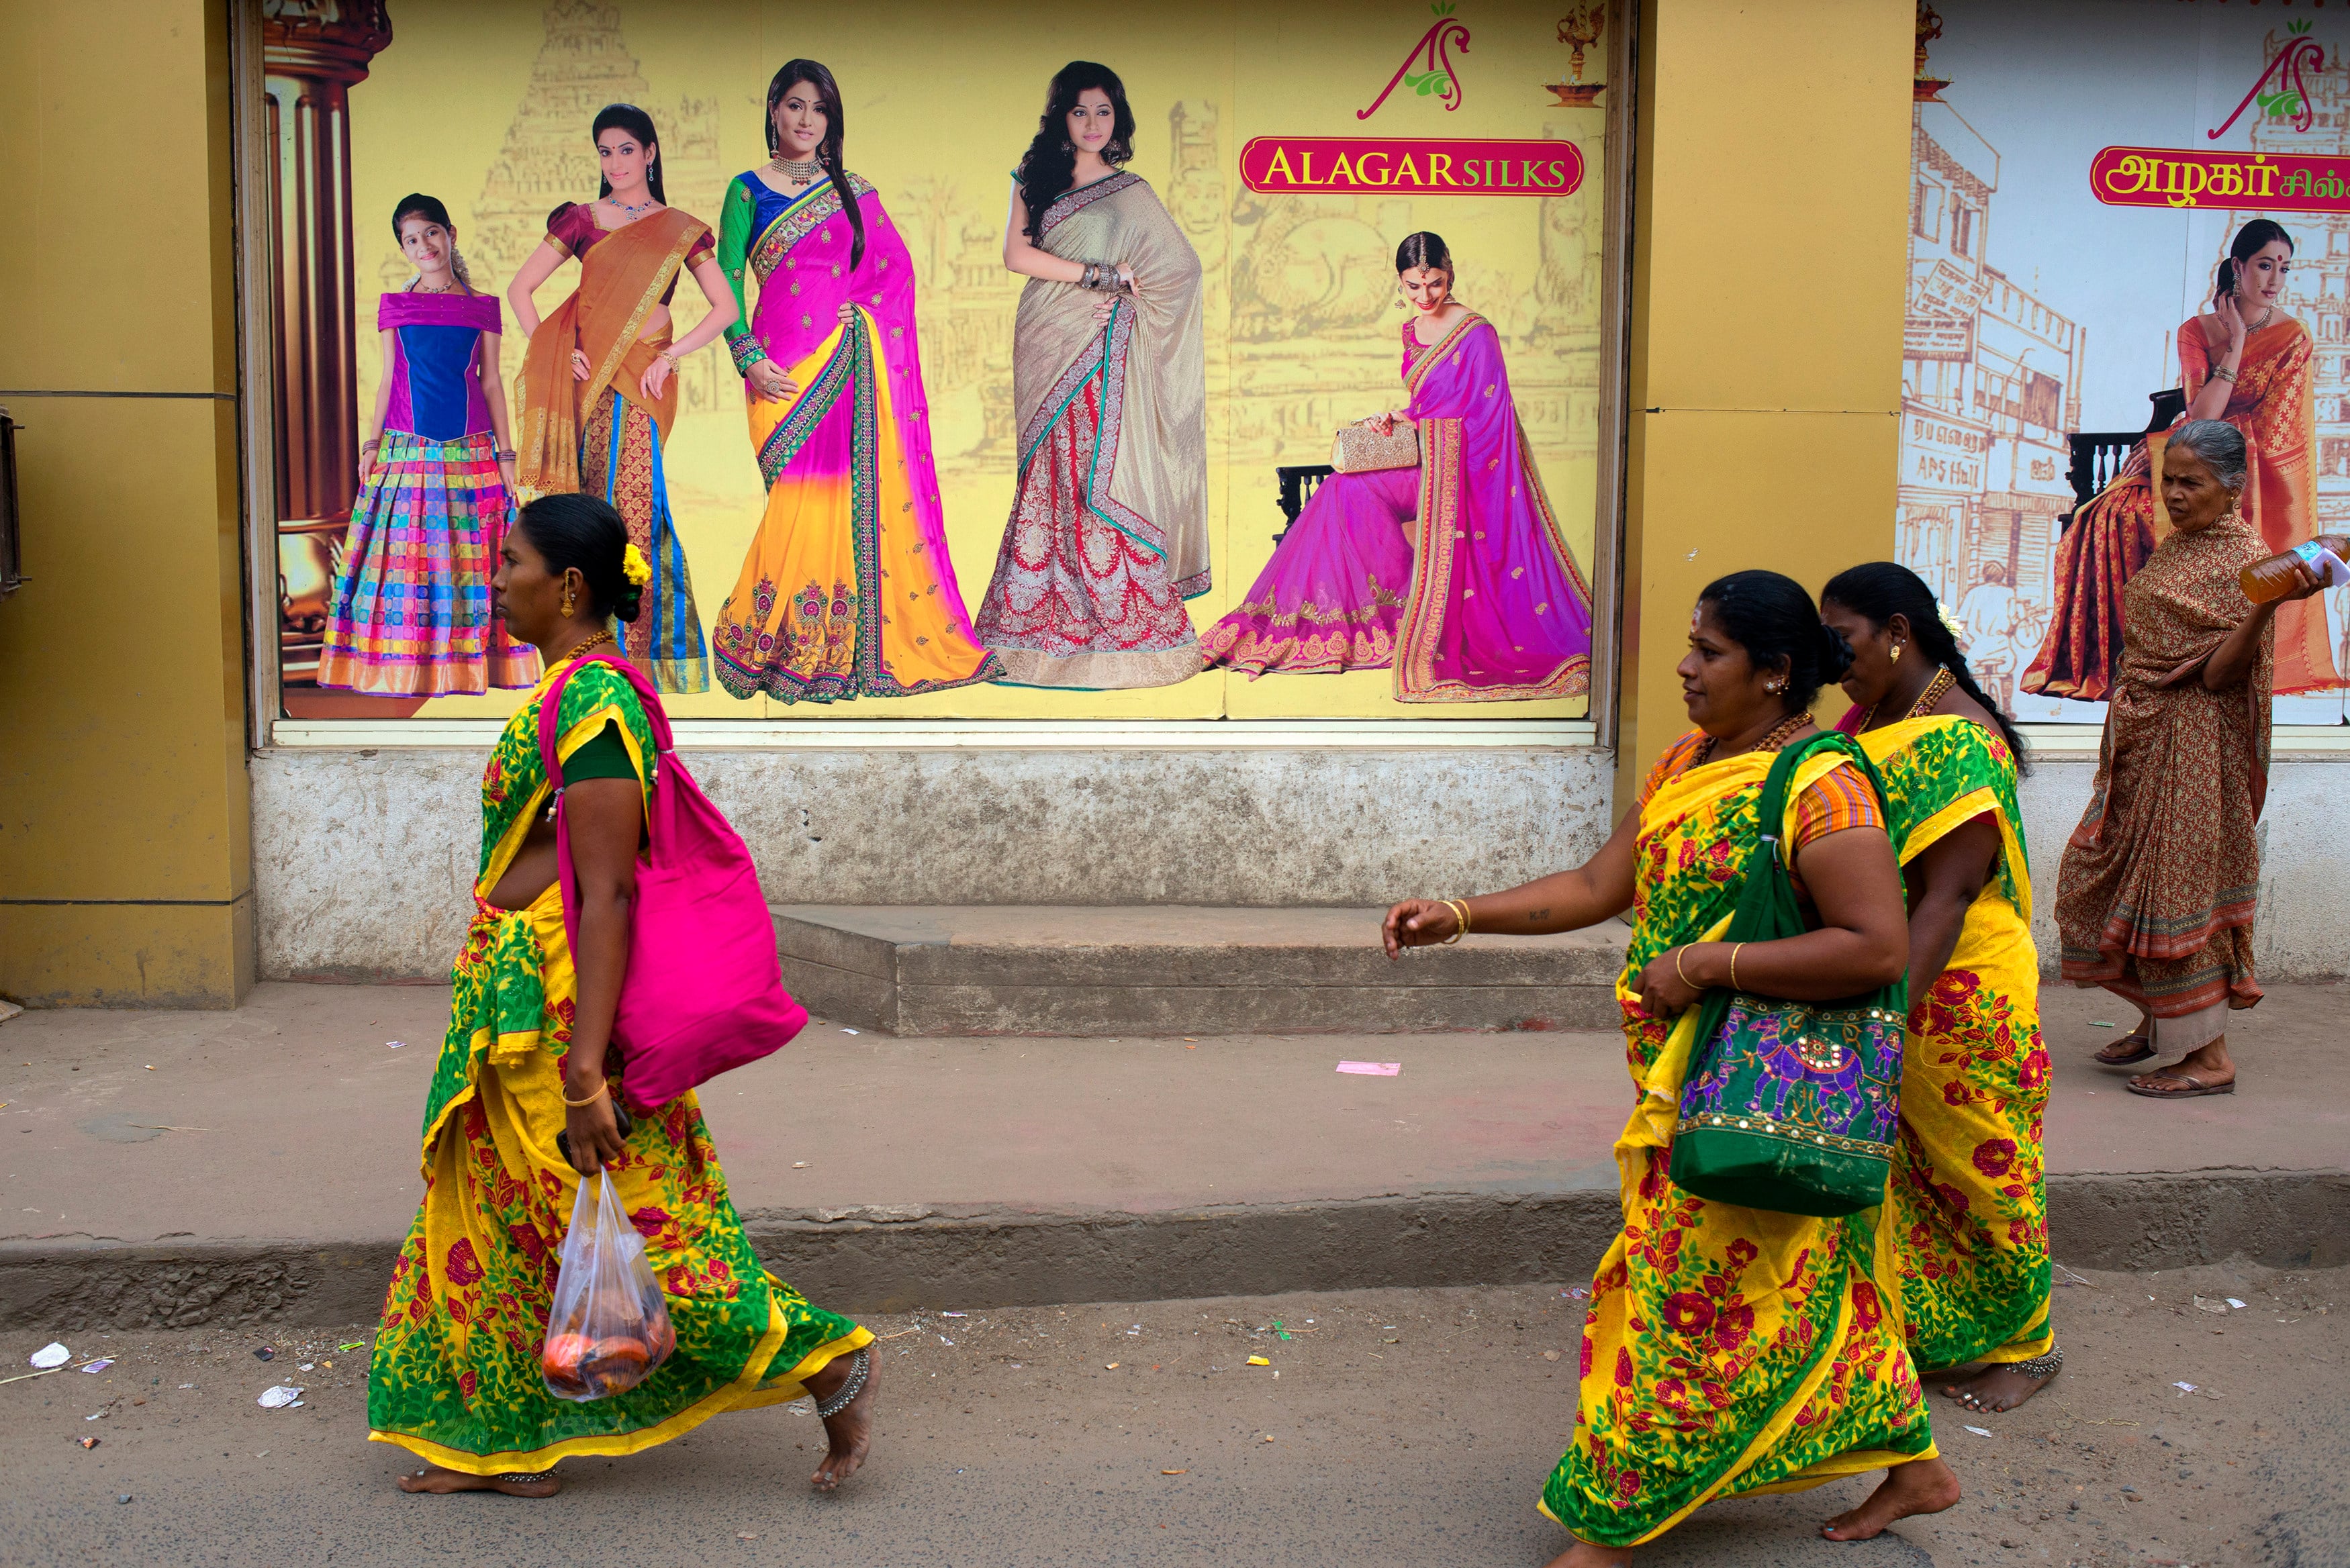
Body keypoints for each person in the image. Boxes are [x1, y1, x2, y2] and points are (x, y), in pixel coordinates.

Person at [1385, 570, 1956, 1563]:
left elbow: (1875, 948)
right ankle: (1916, 1466)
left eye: (1710, 652)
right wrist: (1462, 915)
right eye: (1691, 646)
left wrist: (1703, 963)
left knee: (1683, 1302)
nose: (1687, 669)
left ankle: (1607, 1533)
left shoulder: (1825, 786)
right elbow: (1601, 884)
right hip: (1683, 1087)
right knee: (1799, 1281)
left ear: (1776, 675)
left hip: (1764, 1086)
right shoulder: (1692, 762)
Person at [367, 493, 876, 1494]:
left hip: (562, 1014)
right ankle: (508, 1442)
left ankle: (829, 1361)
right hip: (514, 1001)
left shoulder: (597, 704)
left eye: (510, 563)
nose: (495, 580)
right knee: (506, 1221)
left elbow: (607, 895)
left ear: (568, 586)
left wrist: (585, 1072)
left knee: (647, 1233)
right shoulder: (572, 692)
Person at [1822, 562, 2058, 1415]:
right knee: (1908, 1172)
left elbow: (1949, 895)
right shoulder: (1874, 714)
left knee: (1981, 1164)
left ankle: (2027, 1346)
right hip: (1898, 962)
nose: (1828, 657)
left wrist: (1884, 1015)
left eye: (1839, 638)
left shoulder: (1955, 735)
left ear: (1895, 629)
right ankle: (1940, 1332)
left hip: (1957, 984)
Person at [708, 60, 998, 703]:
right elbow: (725, 278)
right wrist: (746, 355)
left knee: (834, 505)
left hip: (844, 360)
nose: (806, 120)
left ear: (831, 120)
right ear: (774, 111)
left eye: (819, 109)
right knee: (795, 501)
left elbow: (893, 274)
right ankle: (776, 638)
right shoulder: (746, 190)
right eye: (794, 106)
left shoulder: (855, 191)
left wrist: (862, 316)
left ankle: (829, 647)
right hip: (777, 367)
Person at [2055, 421, 2329, 1098]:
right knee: (2091, 875)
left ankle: (2206, 1059)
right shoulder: (2182, 547)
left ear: (2232, 487)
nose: (2172, 494)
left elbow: (2217, 676)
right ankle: (2161, 1022)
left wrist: (2265, 610)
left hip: (2195, 744)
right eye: (2165, 480)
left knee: (2178, 893)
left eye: (2189, 482)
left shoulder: (2244, 562)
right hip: (2144, 737)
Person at [1199, 232, 1594, 701]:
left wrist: (1425, 432)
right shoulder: (1411, 330)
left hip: (1463, 471)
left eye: (1435, 284)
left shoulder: (1477, 333)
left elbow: (1489, 418)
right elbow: (1428, 403)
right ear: (1400, 284)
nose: (1425, 297)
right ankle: (1376, 616)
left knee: (1344, 491)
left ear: (1450, 272)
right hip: (1426, 454)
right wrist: (1395, 418)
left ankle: (1407, 611)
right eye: (1413, 287)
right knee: (1344, 490)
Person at [2024, 219, 2336, 701]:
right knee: (2105, 517)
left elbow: (2275, 429)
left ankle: (2216, 649)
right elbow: (2204, 413)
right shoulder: (2198, 331)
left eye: (2284, 269)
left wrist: (2198, 440)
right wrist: (2234, 341)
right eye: (2264, 265)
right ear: (2239, 267)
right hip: (2188, 459)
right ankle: (2143, 657)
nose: (2274, 279)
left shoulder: (2294, 336)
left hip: (2250, 473)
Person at [972, 60, 1210, 689]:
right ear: (1062, 117)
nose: (1093, 124)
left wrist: (1131, 305)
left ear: (1118, 117)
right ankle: (1031, 626)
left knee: (1095, 473)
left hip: (1106, 345)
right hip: (1047, 337)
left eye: (1104, 112)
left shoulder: (1131, 191)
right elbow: (1016, 255)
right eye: (1081, 112)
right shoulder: (1036, 176)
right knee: (1049, 475)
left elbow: (1181, 270)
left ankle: (1116, 619)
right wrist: (1100, 275)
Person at [508, 103, 735, 695]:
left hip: (644, 377)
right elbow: (521, 289)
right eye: (605, 152)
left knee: (638, 506)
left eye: (626, 150)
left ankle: (634, 660)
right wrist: (557, 350)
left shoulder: (682, 227)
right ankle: (581, 653)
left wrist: (671, 353)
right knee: (585, 508)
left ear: (651, 153)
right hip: (588, 381)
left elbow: (726, 308)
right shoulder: (581, 220)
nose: (615, 163)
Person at [319, 194, 538, 696]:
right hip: (407, 452)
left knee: (467, 559)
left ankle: (465, 666)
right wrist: (372, 443)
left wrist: (508, 455)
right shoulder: (396, 306)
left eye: (431, 233)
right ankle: (407, 666)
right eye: (412, 240)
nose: (424, 246)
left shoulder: (482, 307)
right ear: (404, 248)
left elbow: (490, 383)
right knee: (409, 560)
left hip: (472, 453)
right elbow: (388, 379)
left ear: (451, 233)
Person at [1954, 560, 2017, 714]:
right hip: (2001, 644)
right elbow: (2013, 620)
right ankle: (2006, 706)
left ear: (1985, 575)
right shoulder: (2009, 593)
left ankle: (1972, 706)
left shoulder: (1974, 592)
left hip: (1979, 645)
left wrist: (1970, 641)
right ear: (2001, 576)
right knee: (2010, 665)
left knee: (1968, 670)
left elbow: (1960, 621)